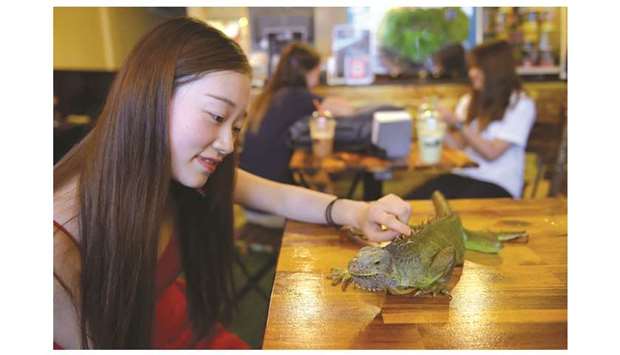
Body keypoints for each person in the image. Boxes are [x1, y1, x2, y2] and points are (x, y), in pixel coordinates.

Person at [53, 18, 413, 349]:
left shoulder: (176, 169)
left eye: (236, 126)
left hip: (178, 323)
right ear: (152, 98)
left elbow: (278, 195)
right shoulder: (57, 251)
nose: (228, 143)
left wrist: (361, 211)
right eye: (216, 116)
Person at [407, 40, 536, 200]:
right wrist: (439, 123)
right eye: (472, 67)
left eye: (478, 67)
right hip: (463, 176)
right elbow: (458, 146)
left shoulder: (520, 104)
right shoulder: (468, 101)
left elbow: (492, 153)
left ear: (495, 70)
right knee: (412, 202)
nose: (471, 73)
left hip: (498, 183)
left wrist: (457, 122)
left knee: (450, 212)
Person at [239, 42, 354, 186]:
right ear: (306, 72)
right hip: (269, 191)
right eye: (317, 73)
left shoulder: (271, 95)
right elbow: (346, 109)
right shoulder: (295, 97)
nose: (317, 80)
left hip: (249, 183)